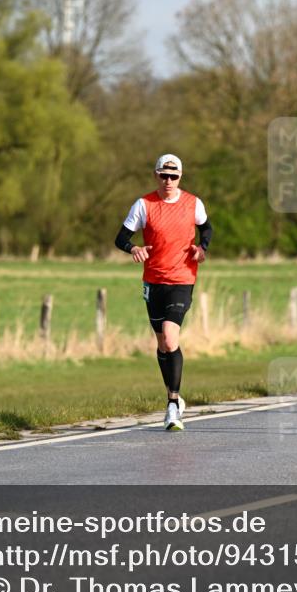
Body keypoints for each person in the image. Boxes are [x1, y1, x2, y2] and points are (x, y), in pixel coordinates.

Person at [115, 154, 212, 431]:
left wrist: (202, 248)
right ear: (156, 175)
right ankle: (175, 395)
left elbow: (206, 228)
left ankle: (172, 405)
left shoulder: (193, 203)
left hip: (182, 278)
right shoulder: (144, 205)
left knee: (170, 338)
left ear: (180, 177)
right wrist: (134, 248)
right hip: (153, 281)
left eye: (174, 176)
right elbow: (121, 237)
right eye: (164, 175)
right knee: (162, 344)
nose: (168, 180)